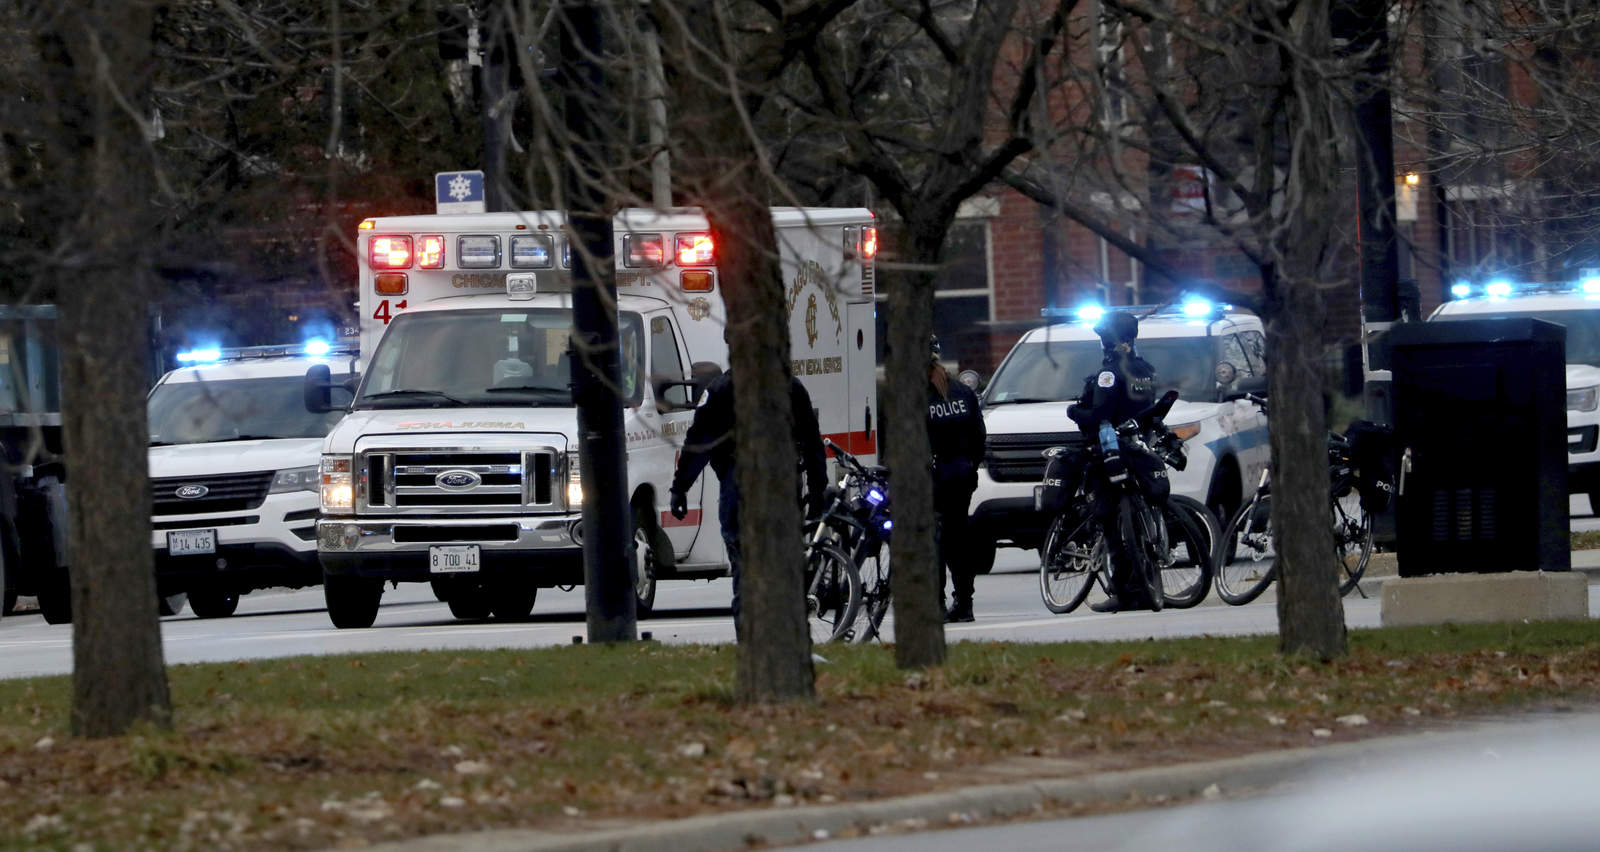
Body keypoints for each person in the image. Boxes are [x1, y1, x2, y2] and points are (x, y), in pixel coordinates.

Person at [668, 357, 828, 640]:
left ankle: (751, 644)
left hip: (739, 491)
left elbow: (698, 444)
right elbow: (813, 444)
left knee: (745, 574)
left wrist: (680, 488)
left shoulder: (721, 390)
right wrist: (817, 493)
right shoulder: (790, 388)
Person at [1066, 310, 1164, 613]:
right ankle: (1148, 583)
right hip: (1139, 450)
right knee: (1139, 520)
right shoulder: (1144, 368)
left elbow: (1100, 416)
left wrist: (1074, 412)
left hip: (1111, 453)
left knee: (1109, 521)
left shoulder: (1110, 372)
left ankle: (1125, 591)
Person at [927, 336, 986, 623]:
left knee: (933, 541)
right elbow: (979, 437)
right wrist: (970, 467)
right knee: (958, 540)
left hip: (932, 477)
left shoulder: (914, 395)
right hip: (961, 476)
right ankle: (964, 603)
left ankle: (935, 605)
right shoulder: (963, 391)